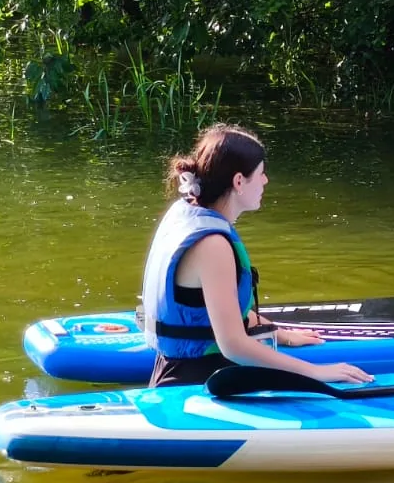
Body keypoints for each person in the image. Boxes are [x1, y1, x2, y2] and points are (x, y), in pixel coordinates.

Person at [140, 124, 372, 388]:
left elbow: (208, 308)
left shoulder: (186, 215)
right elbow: (233, 346)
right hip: (201, 384)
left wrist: (280, 334)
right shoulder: (212, 245)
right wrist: (315, 372)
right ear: (239, 181)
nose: (265, 181)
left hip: (182, 370)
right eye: (260, 174)